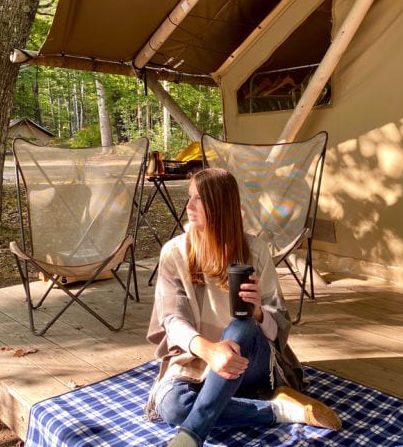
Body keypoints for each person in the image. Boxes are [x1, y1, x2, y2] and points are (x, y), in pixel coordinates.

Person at [144, 168, 341, 447]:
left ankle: (189, 437)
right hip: (198, 361)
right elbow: (171, 318)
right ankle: (279, 409)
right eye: (189, 198)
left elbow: (278, 327)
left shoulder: (255, 249)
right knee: (173, 406)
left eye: (198, 199)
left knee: (242, 325)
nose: (188, 206)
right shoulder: (174, 253)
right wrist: (208, 350)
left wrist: (259, 312)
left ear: (221, 205)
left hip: (251, 362)